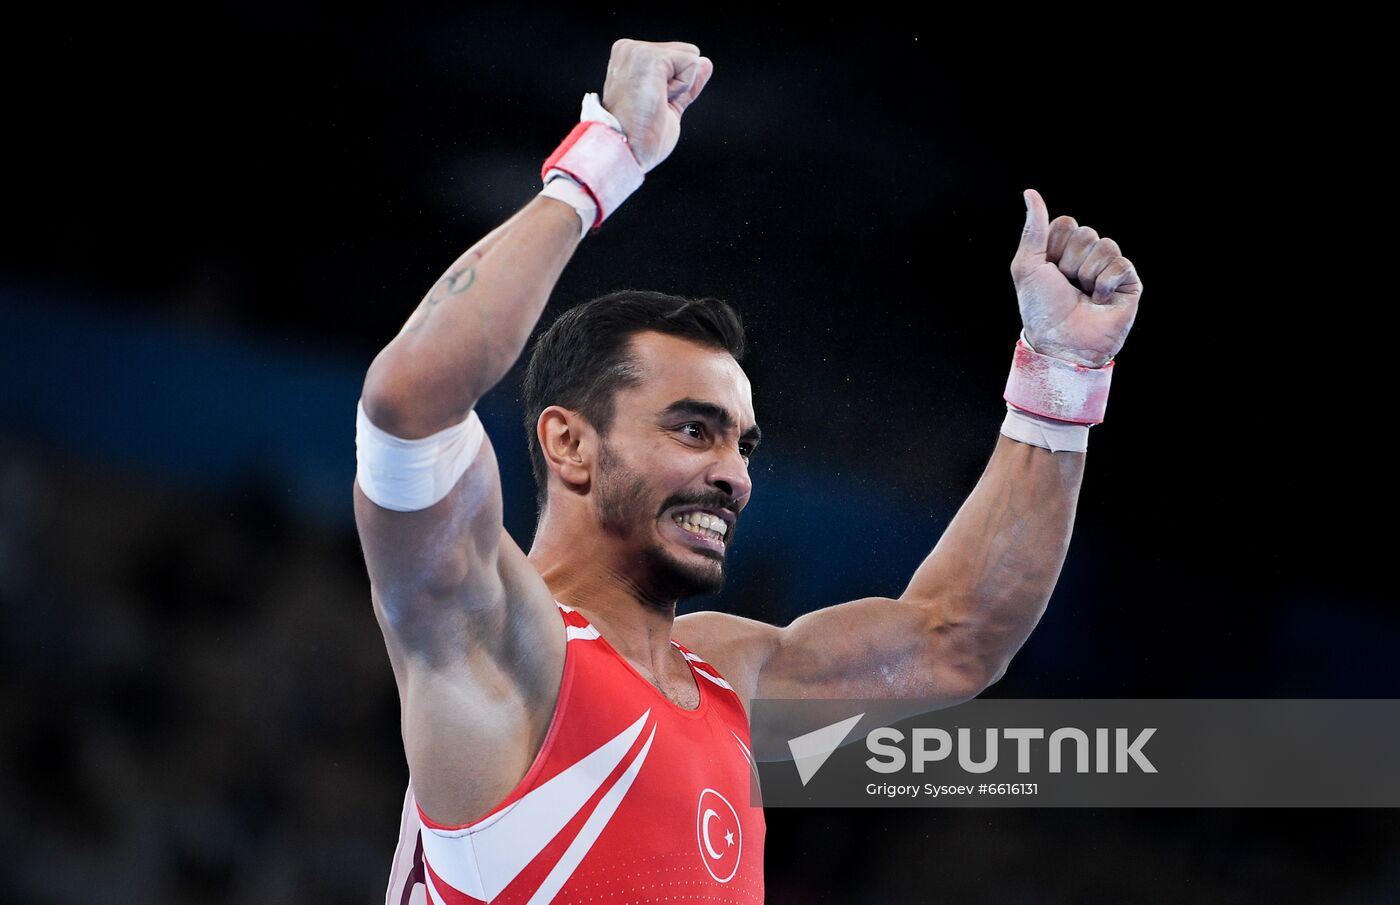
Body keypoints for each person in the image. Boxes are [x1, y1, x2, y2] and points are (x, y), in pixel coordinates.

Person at [355, 38, 1142, 905]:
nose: (734, 474)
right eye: (694, 429)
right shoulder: (495, 645)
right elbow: (408, 404)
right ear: (569, 443)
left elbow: (956, 639)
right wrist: (603, 159)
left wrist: (1058, 381)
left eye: (743, 444)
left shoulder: (727, 674)